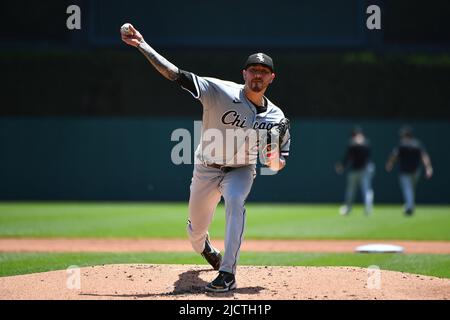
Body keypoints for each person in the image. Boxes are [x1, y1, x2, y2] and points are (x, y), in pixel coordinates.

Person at [121, 24, 291, 292]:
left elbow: (277, 164)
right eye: (253, 70)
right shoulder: (218, 90)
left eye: (264, 71)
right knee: (195, 233)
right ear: (244, 74)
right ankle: (206, 247)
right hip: (206, 168)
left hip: (241, 170)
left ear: (272, 77)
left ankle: (227, 272)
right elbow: (175, 74)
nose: (258, 74)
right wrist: (142, 44)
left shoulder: (277, 118)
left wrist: (271, 157)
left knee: (235, 201)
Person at [385, 126, 433, 216]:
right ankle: (410, 205)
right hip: (415, 171)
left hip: (406, 171)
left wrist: (390, 163)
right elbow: (424, 156)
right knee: (410, 189)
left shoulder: (402, 145)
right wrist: (428, 167)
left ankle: (410, 207)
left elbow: (394, 156)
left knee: (408, 189)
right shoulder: (417, 144)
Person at [335, 127, 374, 216]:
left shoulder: (354, 143)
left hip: (360, 170)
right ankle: (361, 209)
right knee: (361, 190)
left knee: (360, 190)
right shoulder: (365, 143)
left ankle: (355, 208)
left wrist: (342, 166)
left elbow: (348, 157)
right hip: (360, 170)